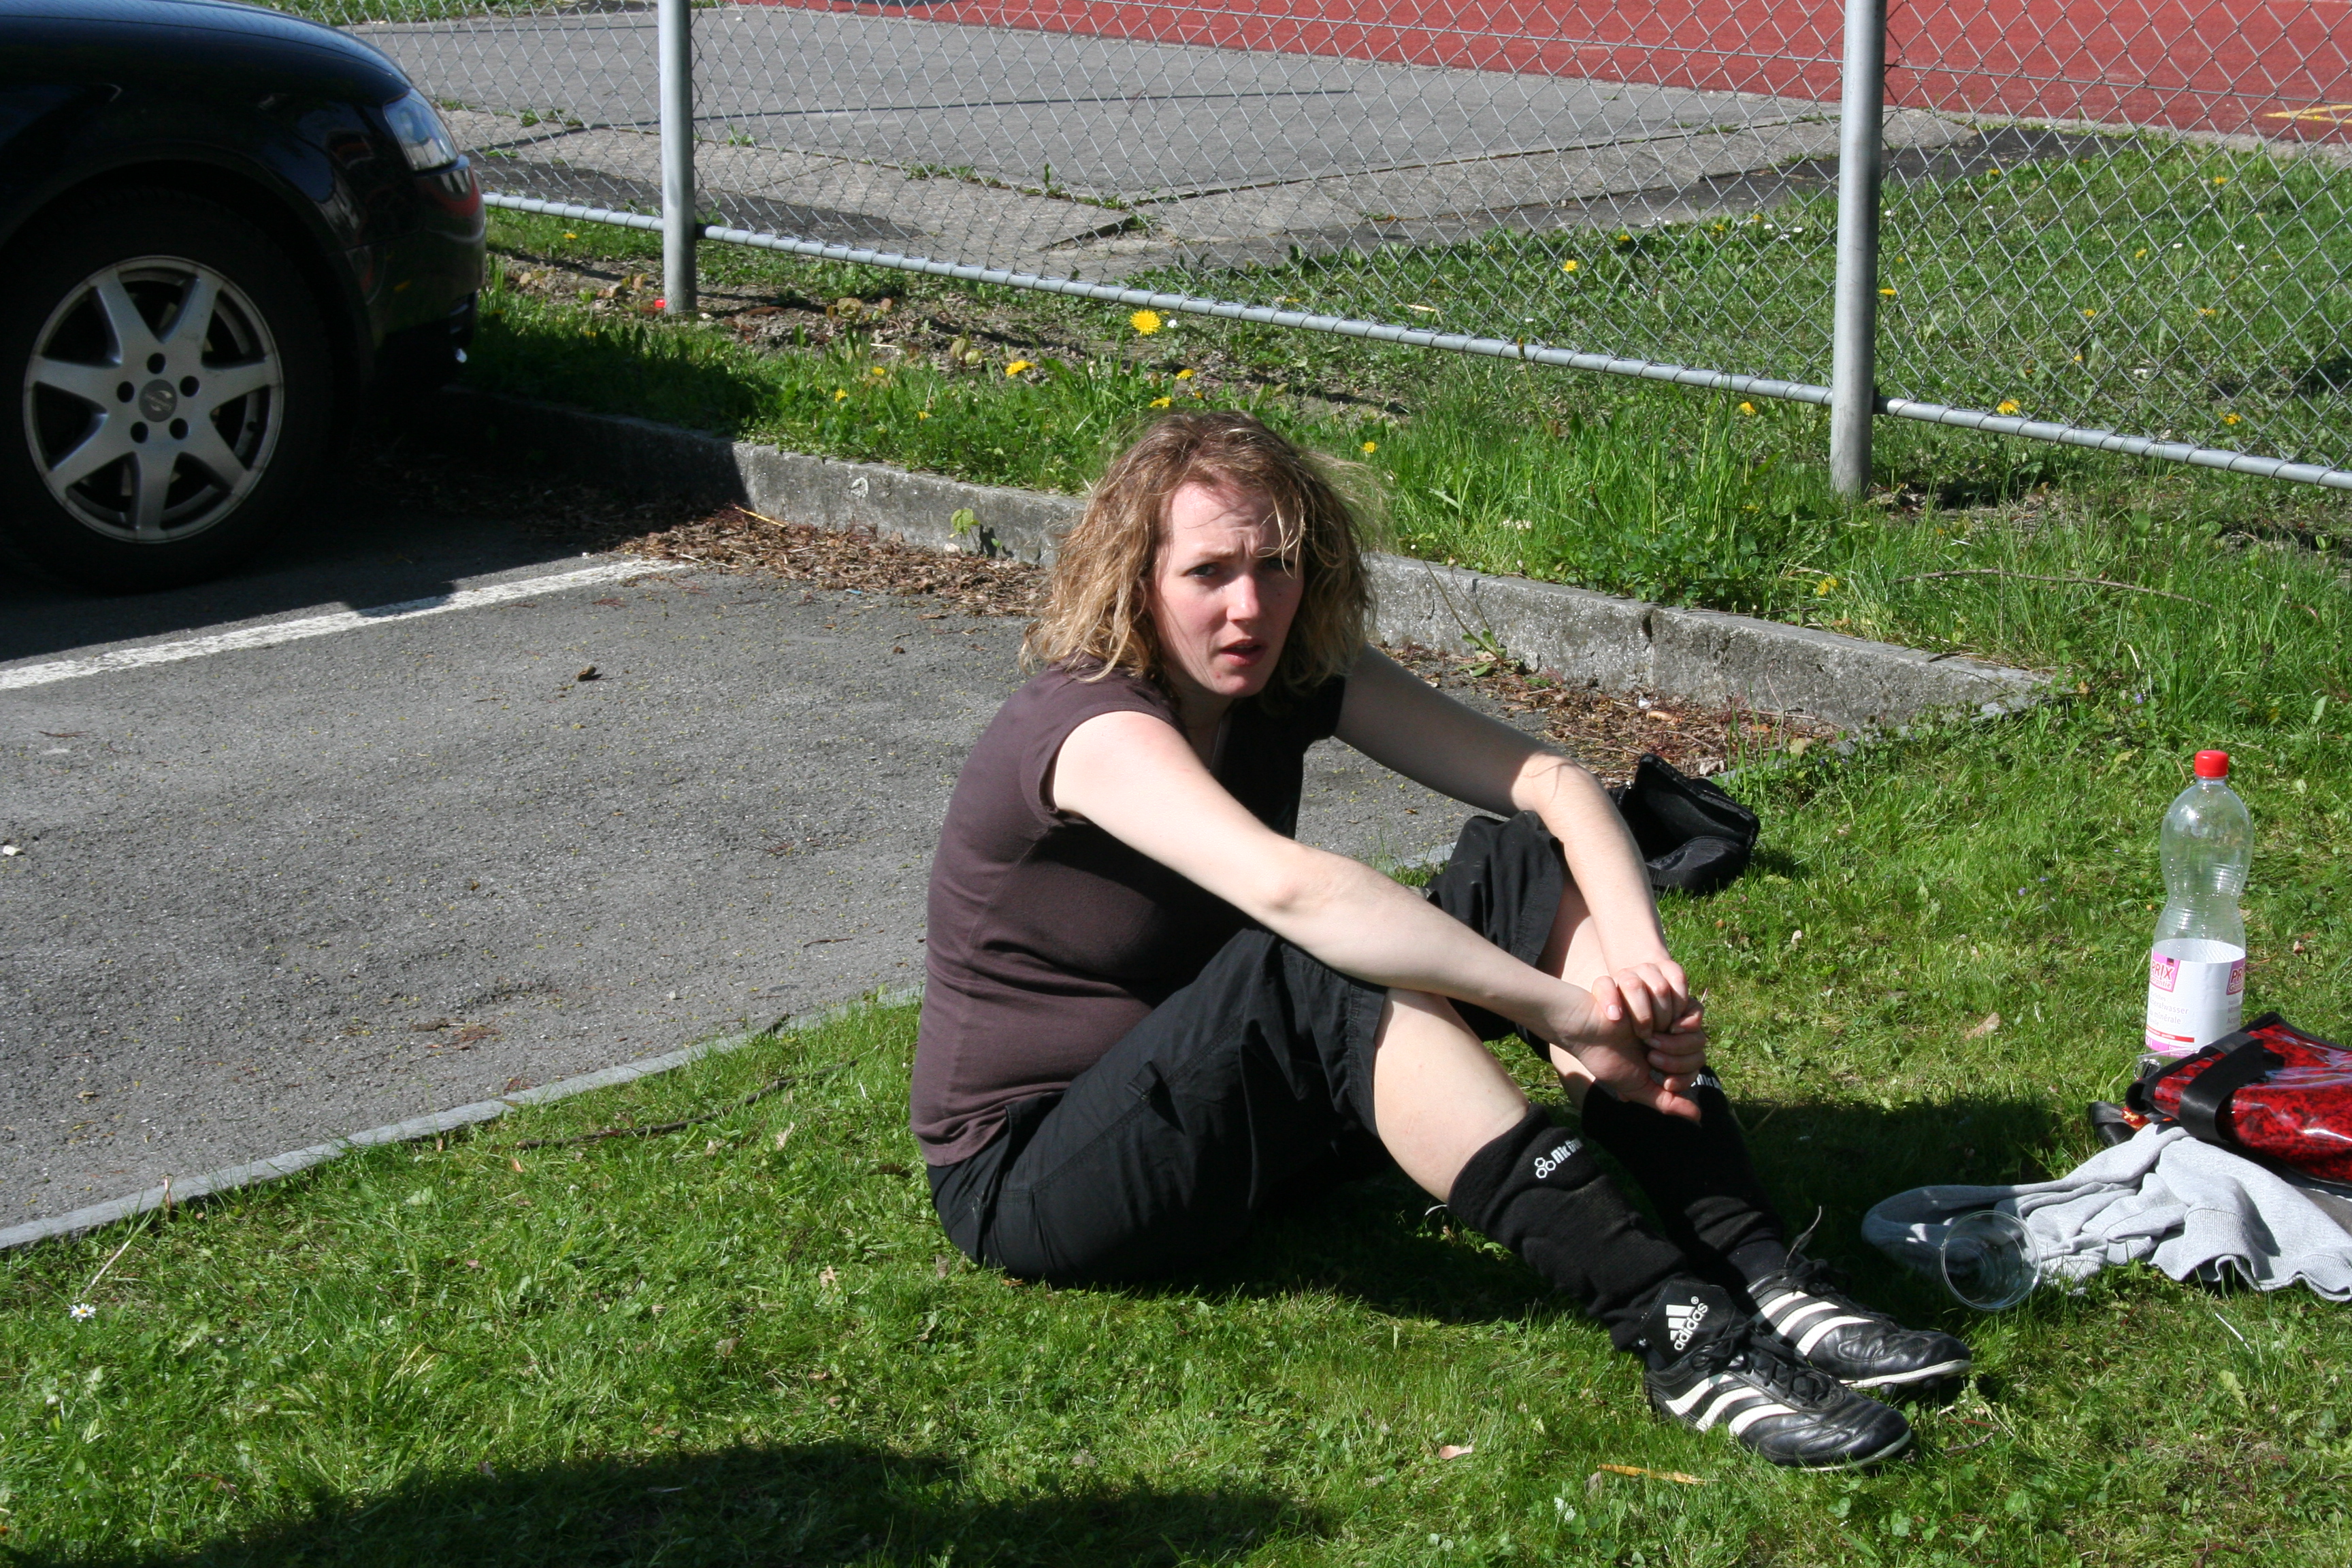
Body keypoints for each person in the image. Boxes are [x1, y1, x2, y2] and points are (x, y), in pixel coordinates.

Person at [911, 412, 1967, 1470]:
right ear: (1137, 579)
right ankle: (1682, 1333)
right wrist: (1565, 1015)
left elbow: (1552, 784)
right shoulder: (1091, 727)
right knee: (1324, 962)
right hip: (1040, 1174)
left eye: (1278, 566)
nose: (1250, 606)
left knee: (1519, 861)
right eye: (1208, 573)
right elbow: (1296, 892)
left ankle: (1762, 1271)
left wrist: (1643, 969)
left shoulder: (1285, 670)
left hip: (1221, 1114)